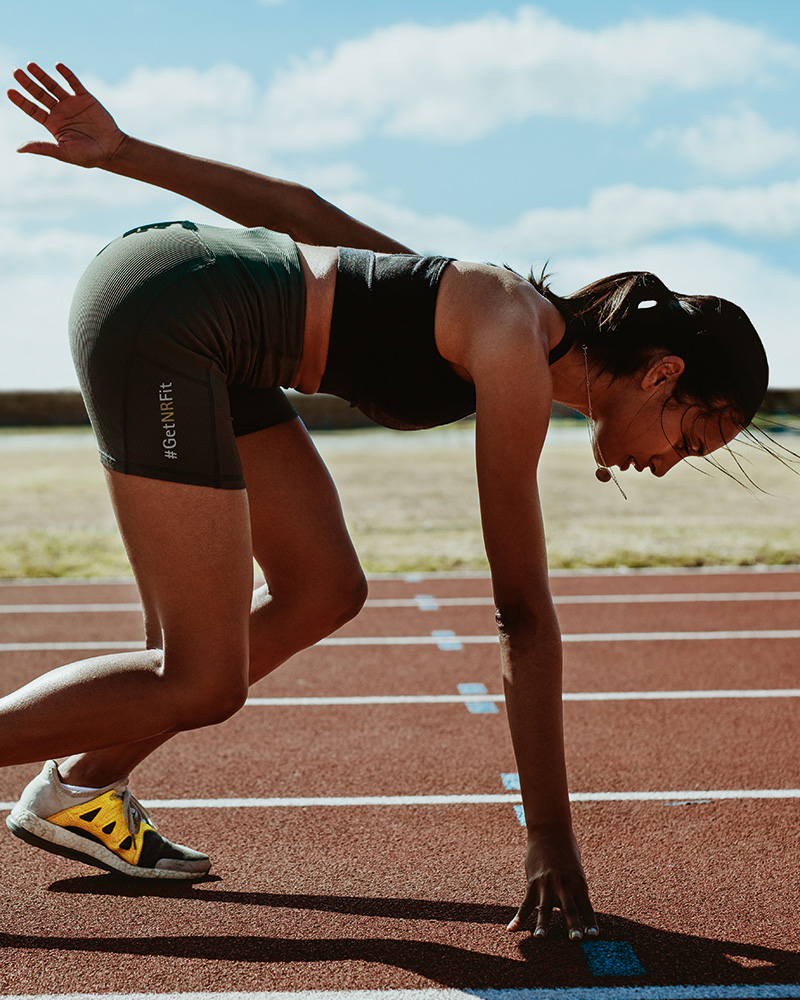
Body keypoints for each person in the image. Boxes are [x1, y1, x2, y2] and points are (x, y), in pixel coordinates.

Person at [4, 63, 768, 938]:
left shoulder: (504, 313)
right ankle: (75, 780)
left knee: (324, 587)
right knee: (201, 679)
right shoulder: (514, 337)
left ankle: (75, 790)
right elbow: (520, 613)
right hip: (170, 314)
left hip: (214, 341)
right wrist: (551, 837)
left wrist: (124, 152)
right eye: (691, 441)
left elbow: (304, 213)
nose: (668, 466)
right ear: (663, 375)